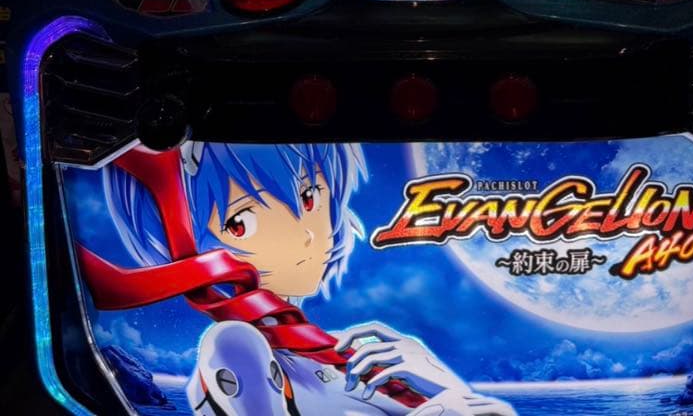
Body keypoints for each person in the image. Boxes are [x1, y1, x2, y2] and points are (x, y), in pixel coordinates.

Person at [81, 142, 515, 416]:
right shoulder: (237, 352)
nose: (306, 234)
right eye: (242, 223)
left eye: (310, 196)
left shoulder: (355, 354)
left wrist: (446, 386)